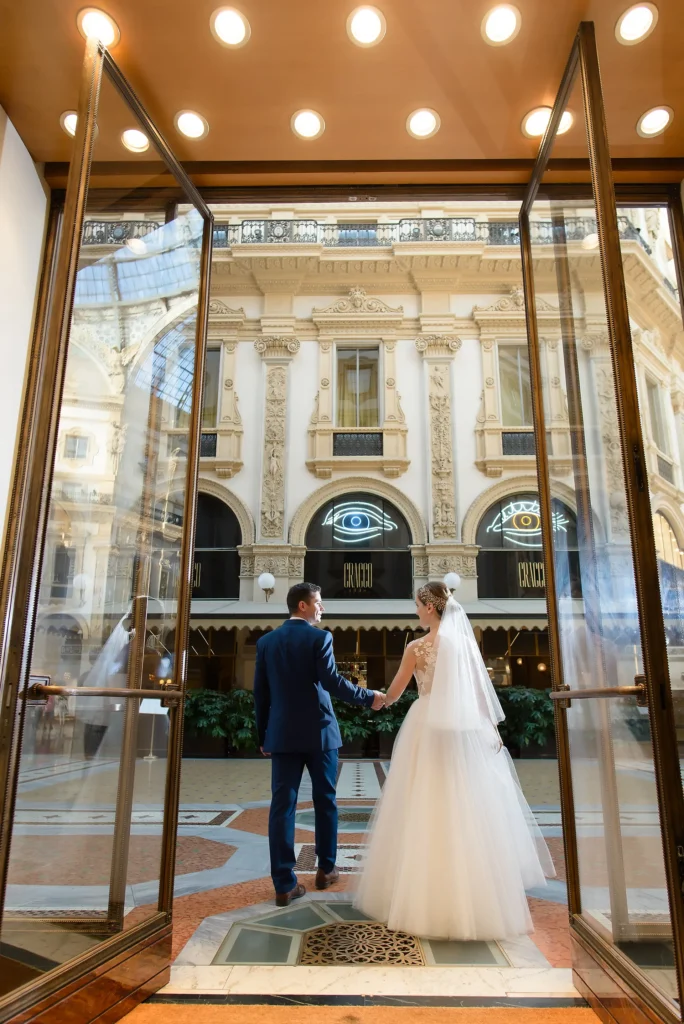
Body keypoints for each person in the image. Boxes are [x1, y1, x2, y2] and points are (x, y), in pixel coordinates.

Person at [354, 581, 555, 940]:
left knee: (422, 801)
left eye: (417, 605)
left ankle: (422, 894)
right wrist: (490, 731)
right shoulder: (464, 644)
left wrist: (374, 698)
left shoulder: (416, 647)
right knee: (464, 802)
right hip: (464, 727)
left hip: (427, 727)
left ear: (430, 608)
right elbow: (480, 693)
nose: (415, 611)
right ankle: (474, 897)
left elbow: (397, 692)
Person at [254, 582, 385, 907]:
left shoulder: (266, 642)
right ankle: (326, 870)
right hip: (320, 732)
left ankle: (284, 885)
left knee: (281, 806)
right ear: (302, 605)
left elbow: (261, 694)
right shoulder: (319, 637)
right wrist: (368, 697)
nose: (321, 608)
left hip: (282, 735)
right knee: (325, 800)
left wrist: (263, 736)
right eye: (318, 602)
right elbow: (331, 680)